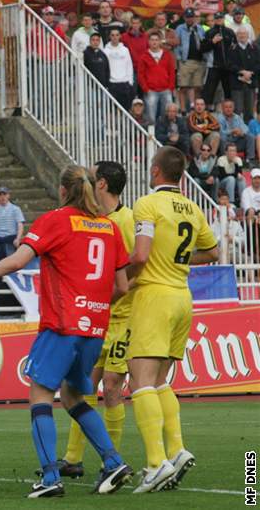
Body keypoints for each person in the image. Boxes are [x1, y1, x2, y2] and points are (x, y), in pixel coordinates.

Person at [0, 165, 132, 498]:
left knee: (40, 394)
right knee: (74, 395)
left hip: (63, 324)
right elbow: (122, 285)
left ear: (62, 190)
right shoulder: (109, 227)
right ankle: (113, 461)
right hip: (95, 327)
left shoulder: (55, 220)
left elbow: (17, 262)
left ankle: (50, 479)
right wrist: (92, 303)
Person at [125, 147, 218, 493]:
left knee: (141, 380)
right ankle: (176, 451)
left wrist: (122, 281)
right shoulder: (193, 208)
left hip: (154, 296)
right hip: (182, 296)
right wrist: (177, 261)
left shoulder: (147, 204)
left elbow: (142, 254)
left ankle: (155, 463)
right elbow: (212, 251)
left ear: (154, 172)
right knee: (161, 380)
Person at [58, 161, 135, 481]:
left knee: (113, 390)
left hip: (122, 317)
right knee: (82, 386)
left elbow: (137, 265)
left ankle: (110, 464)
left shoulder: (126, 220)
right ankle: (73, 459)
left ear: (101, 184)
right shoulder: (94, 219)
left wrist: (113, 291)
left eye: (93, 177)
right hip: (96, 316)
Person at [137, 32, 176, 125]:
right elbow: (140, 75)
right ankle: (152, 136)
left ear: (160, 42)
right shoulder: (144, 56)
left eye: (156, 40)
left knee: (168, 115)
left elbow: (172, 72)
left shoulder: (167, 55)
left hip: (166, 89)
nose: (154, 42)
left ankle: (165, 135)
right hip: (151, 90)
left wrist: (170, 87)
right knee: (151, 117)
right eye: (152, 40)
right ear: (148, 42)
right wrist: (146, 88)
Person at [201, 12, 236, 109]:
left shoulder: (230, 32)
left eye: (221, 18)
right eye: (217, 18)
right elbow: (202, 48)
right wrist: (212, 42)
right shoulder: (209, 32)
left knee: (228, 92)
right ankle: (206, 112)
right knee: (208, 92)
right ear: (215, 20)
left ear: (224, 19)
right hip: (214, 66)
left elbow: (235, 47)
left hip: (228, 67)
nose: (219, 20)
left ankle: (230, 113)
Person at [174, 9, 207, 111]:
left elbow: (204, 43)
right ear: (184, 18)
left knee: (198, 87)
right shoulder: (180, 28)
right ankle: (183, 110)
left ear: (194, 17)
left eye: (191, 16)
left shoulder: (200, 28)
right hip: (185, 61)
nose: (190, 19)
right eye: (188, 17)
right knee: (183, 86)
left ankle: (197, 109)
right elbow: (176, 44)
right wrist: (179, 58)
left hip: (199, 61)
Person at [227, 26, 260, 124]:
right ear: (237, 36)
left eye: (244, 33)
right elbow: (229, 65)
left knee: (249, 110)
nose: (242, 36)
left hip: (251, 83)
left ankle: (249, 131)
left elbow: (258, 63)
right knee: (237, 110)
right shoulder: (232, 48)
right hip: (237, 84)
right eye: (240, 34)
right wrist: (242, 72)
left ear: (248, 35)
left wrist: (250, 73)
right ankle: (237, 130)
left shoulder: (254, 48)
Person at [103, 29, 134, 112]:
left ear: (120, 36)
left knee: (126, 110)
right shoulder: (105, 51)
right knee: (111, 110)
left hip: (124, 83)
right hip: (112, 84)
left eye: (117, 35)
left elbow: (129, 65)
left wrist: (130, 82)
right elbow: (104, 68)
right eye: (112, 35)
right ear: (110, 37)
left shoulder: (125, 50)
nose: (115, 37)